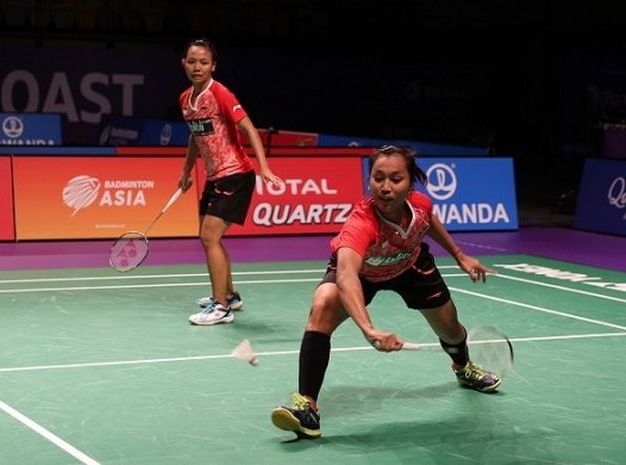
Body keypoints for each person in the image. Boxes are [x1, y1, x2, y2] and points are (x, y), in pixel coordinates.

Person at [270, 145, 499, 439]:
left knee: (451, 329)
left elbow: (430, 223)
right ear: (369, 181)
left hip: (410, 266)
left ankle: (463, 367)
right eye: (378, 178)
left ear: (409, 183)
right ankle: (307, 410)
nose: (386, 187)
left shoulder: (421, 205)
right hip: (364, 274)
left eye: (395, 179)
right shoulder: (360, 222)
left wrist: (459, 255)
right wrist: (367, 328)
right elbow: (346, 275)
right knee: (323, 304)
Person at [177, 39, 282, 326]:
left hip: (236, 174)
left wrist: (264, 167)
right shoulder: (186, 99)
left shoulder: (220, 93)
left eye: (204, 62)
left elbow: (248, 128)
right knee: (210, 236)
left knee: (209, 237)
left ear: (213, 66)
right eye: (192, 61)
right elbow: (195, 137)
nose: (197, 67)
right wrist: (186, 171)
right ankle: (230, 294)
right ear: (184, 63)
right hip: (213, 176)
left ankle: (221, 308)